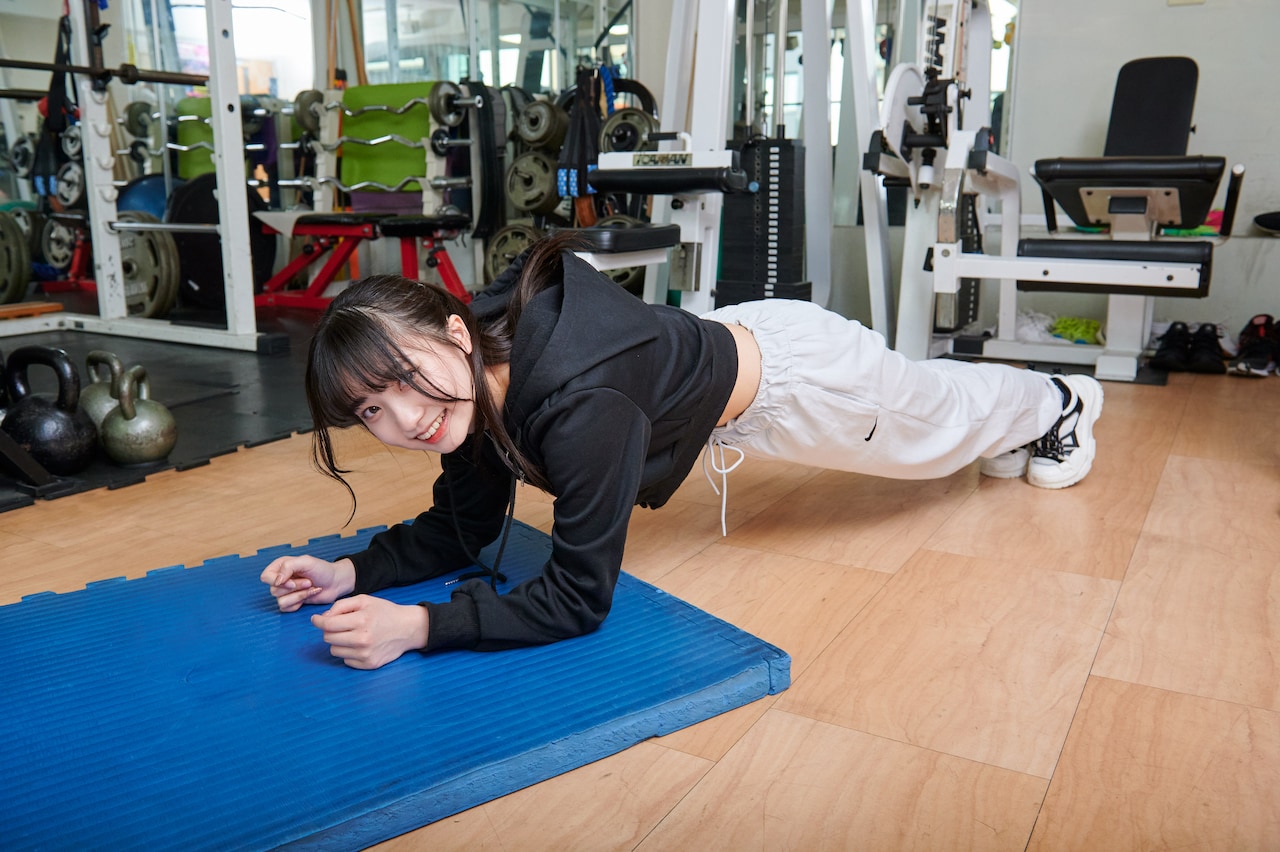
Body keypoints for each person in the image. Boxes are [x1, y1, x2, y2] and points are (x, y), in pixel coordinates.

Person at [260, 233, 1103, 669]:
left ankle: (1063, 400)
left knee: (941, 436)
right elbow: (461, 529)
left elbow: (578, 599)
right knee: (940, 410)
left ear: (452, 333)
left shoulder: (579, 406)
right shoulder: (476, 384)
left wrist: (418, 626)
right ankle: (1011, 400)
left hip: (808, 385)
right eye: (371, 409)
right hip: (743, 356)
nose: (404, 418)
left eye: (405, 379)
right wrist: (353, 574)